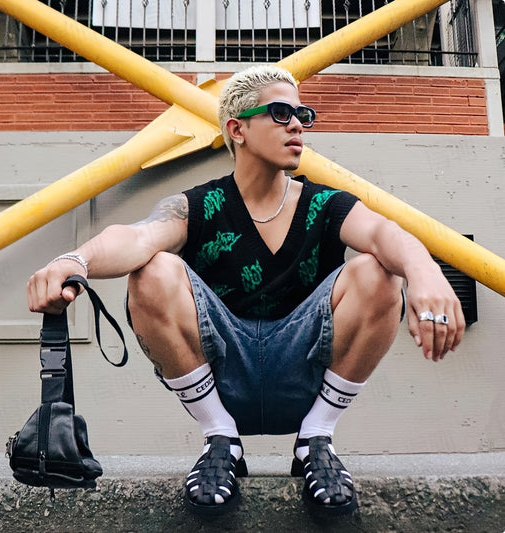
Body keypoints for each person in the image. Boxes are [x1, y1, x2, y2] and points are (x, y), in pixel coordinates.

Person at [27, 65, 465, 518]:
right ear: (237, 130)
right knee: (152, 269)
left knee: (380, 271)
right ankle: (221, 440)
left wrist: (425, 272)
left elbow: (382, 233)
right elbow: (137, 237)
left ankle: (316, 440)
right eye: (280, 113)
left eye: (302, 115)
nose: (297, 125)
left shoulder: (325, 204)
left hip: (306, 372)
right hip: (221, 378)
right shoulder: (198, 206)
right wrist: (74, 260)